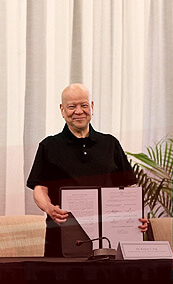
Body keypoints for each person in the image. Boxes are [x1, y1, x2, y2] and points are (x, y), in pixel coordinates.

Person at [26, 83, 147, 257]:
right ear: (62, 110)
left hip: (109, 238)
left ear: (92, 106)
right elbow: (39, 188)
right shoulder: (49, 146)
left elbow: (128, 190)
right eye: (71, 106)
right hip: (62, 236)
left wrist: (137, 218)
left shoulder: (110, 144)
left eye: (84, 105)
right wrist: (50, 208)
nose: (79, 111)